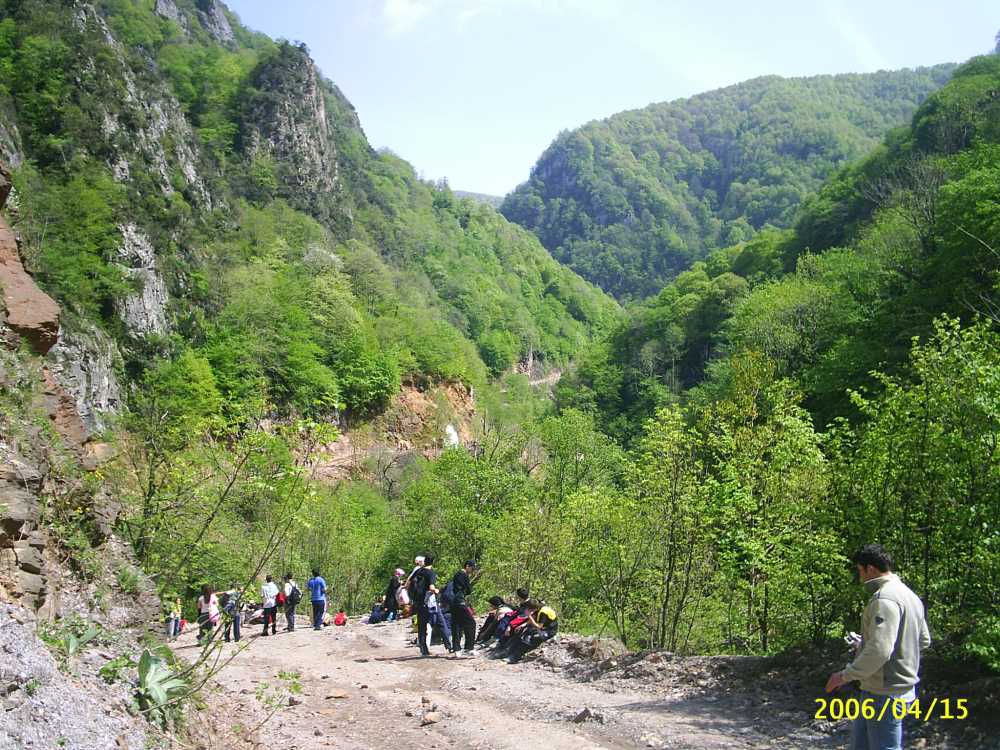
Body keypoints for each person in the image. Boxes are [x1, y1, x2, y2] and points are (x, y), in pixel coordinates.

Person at [825, 545, 931, 750]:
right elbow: (923, 640)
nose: (860, 577)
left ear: (870, 569)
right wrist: (867, 645)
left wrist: (845, 675)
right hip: (892, 689)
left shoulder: (884, 599)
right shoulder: (910, 596)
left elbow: (881, 650)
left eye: (860, 570)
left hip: (884, 692)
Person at [410, 554, 452, 656]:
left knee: (422, 626)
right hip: (429, 603)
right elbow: (432, 588)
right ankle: (450, 647)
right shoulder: (430, 573)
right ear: (433, 562)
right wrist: (438, 591)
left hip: (418, 602)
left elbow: (408, 584)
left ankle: (424, 650)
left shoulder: (417, 571)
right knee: (441, 623)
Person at [448, 560, 478, 656]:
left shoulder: (458, 574)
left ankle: (457, 648)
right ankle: (469, 647)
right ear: (467, 566)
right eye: (472, 568)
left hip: (454, 602)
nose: (472, 571)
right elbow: (468, 590)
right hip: (459, 601)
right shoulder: (463, 574)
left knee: (457, 624)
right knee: (471, 623)